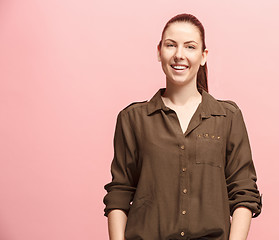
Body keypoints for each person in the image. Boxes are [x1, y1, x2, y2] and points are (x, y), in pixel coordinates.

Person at [103, 13, 262, 240]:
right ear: (159, 52)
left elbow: (244, 192)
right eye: (171, 45)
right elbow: (119, 192)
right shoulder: (132, 119)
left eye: (190, 47)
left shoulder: (228, 117)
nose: (179, 55)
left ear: (203, 56)